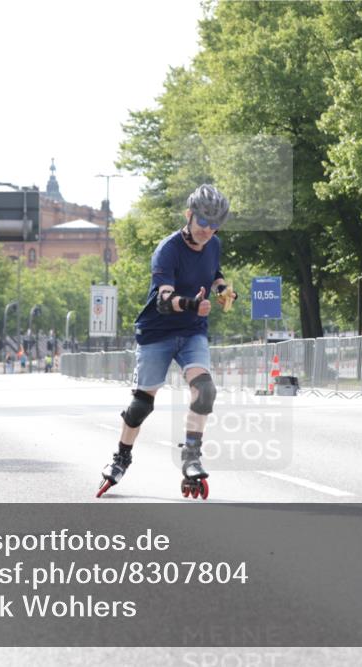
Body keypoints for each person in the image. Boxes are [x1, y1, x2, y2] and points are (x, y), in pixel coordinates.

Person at [96, 184, 237, 500]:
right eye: (203, 222)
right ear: (189, 215)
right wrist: (191, 304)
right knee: (141, 405)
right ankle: (121, 458)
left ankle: (191, 455)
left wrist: (223, 289)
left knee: (206, 390)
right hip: (157, 331)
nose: (208, 230)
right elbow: (164, 299)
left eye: (215, 225)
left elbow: (214, 272)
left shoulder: (213, 243)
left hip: (192, 332)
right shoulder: (168, 250)